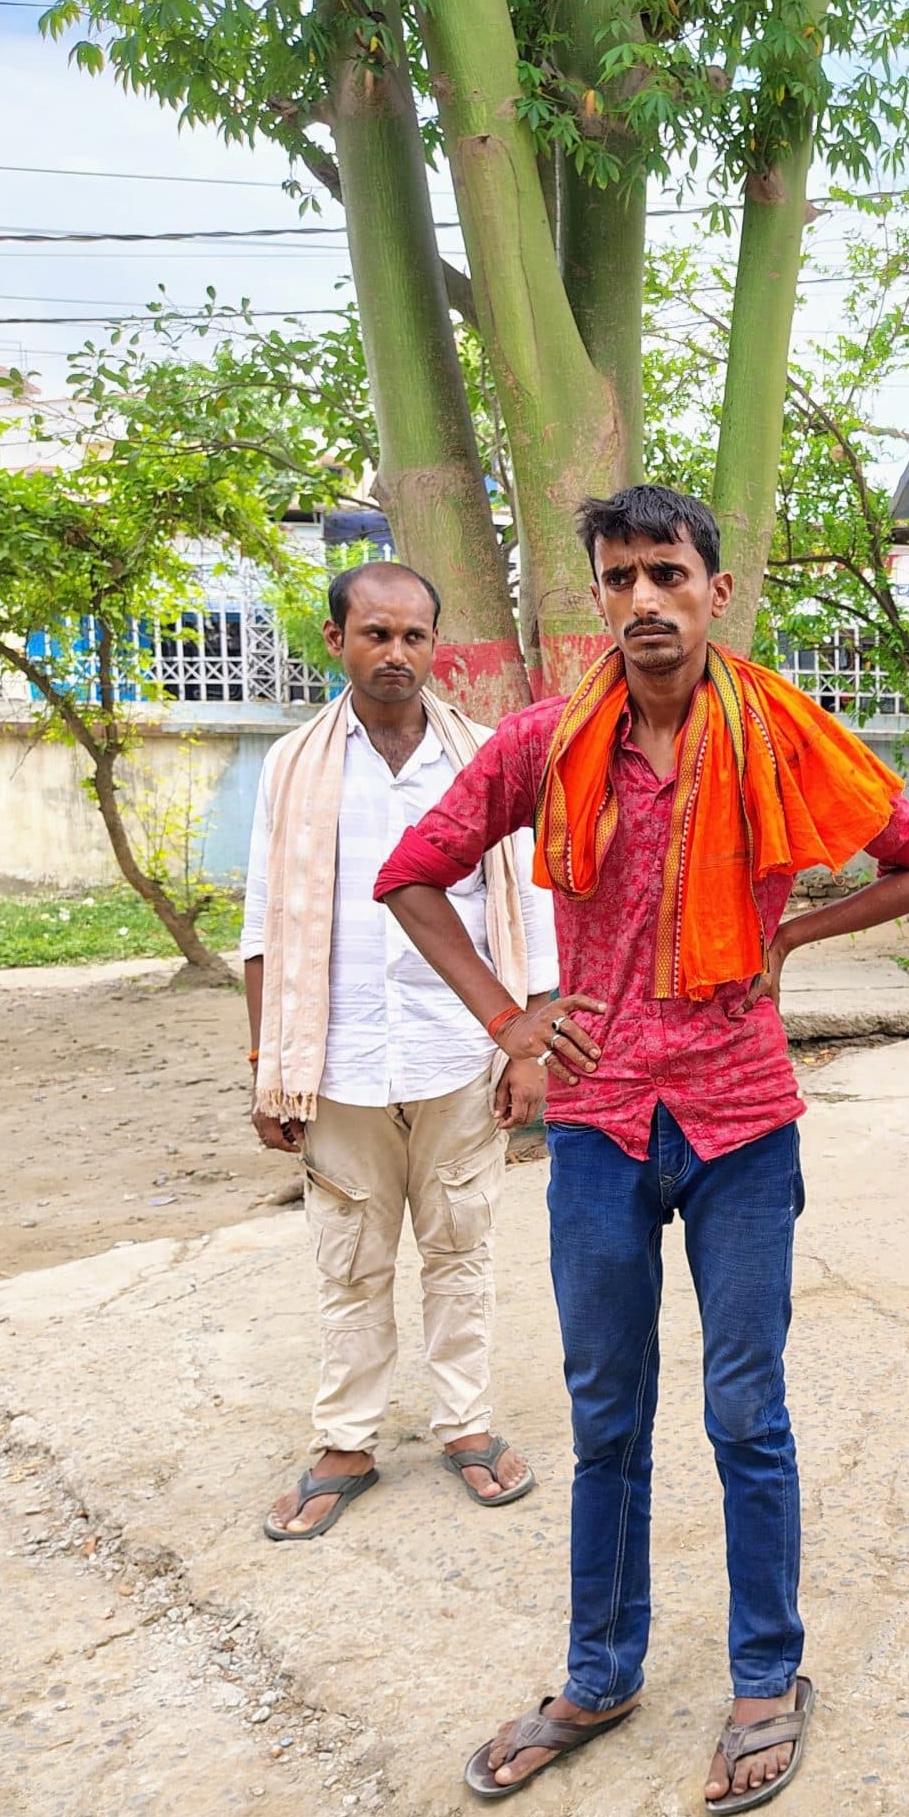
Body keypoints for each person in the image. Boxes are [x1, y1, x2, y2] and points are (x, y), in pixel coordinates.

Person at [372, 484, 909, 1814]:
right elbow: (414, 869)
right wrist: (508, 1017)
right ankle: (600, 1672)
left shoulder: (785, 736)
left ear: (715, 591)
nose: (646, 602)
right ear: (600, 599)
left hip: (743, 1117)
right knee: (606, 1417)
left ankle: (767, 1678)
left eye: (669, 576)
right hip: (594, 1126)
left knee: (746, 1412)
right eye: (622, 580)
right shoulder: (543, 744)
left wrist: (793, 938)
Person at [244, 559, 558, 1542]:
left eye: (414, 636)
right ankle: (347, 1440)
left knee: (463, 1245)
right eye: (375, 634)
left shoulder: (483, 762)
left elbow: (529, 911)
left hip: (457, 1053)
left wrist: (527, 1048)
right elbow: (262, 927)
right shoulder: (294, 769)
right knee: (349, 1255)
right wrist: (268, 1065)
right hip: (334, 1062)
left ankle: (465, 1424)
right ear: (335, 639)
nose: (395, 654)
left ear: (435, 645)